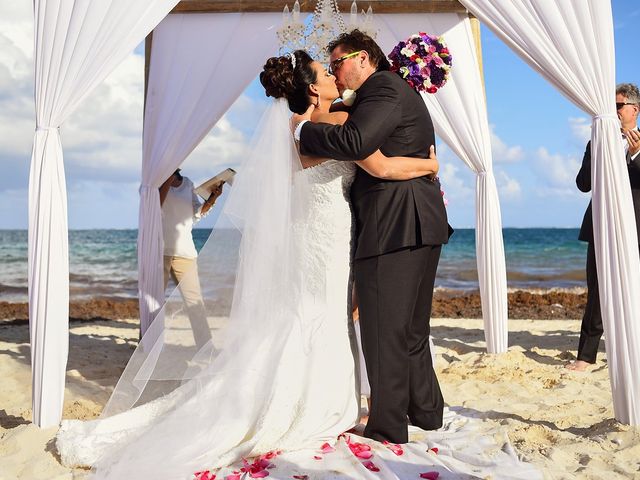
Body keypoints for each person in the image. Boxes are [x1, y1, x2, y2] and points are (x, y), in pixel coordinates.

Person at [54, 49, 439, 478]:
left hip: (320, 235)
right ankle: (323, 404)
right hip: (329, 237)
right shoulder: (335, 124)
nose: (333, 75)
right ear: (313, 88)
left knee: (315, 315)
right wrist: (429, 162)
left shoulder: (296, 127)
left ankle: (319, 397)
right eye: (325, 72)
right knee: (326, 316)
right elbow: (379, 165)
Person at [292, 30, 451, 444]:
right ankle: (427, 413)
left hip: (393, 223)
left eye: (338, 63)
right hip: (418, 220)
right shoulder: (384, 92)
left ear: (364, 59)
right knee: (412, 329)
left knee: (384, 330)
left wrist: (300, 132)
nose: (335, 73)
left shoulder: (382, 88)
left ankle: (387, 426)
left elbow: (356, 141)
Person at [567, 83, 640, 372]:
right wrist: (598, 150)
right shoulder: (597, 142)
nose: (615, 111)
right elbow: (583, 184)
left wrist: (635, 157)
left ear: (635, 109)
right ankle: (586, 356)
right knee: (596, 289)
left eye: (619, 106)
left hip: (636, 226)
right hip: (600, 224)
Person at [158, 169, 222, 348]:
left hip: (185, 253)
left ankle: (205, 348)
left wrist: (212, 199)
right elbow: (154, 207)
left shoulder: (187, 184)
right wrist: (166, 179)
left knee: (195, 303)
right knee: (154, 302)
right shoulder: (154, 182)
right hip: (158, 252)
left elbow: (196, 214)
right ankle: (146, 346)